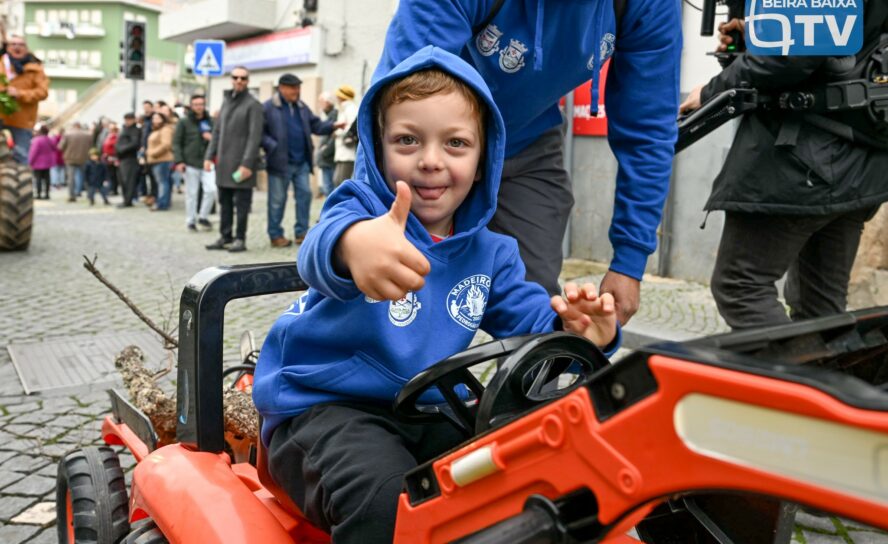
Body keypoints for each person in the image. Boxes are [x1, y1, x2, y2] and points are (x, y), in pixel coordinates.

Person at [253, 47, 620, 544]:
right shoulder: (359, 210)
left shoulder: (493, 253)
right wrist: (355, 245)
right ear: (376, 148)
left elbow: (535, 328)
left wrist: (580, 330)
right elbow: (320, 248)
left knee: (520, 478)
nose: (430, 161)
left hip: (428, 412)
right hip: (324, 411)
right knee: (388, 503)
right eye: (407, 140)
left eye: (455, 143)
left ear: (484, 156)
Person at [343, 0, 682, 325]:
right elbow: (394, 103)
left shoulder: (646, 5)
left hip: (529, 141)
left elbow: (648, 130)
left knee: (536, 300)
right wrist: (362, 227)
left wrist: (628, 264)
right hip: (432, 144)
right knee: (382, 283)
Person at [680, 1, 888, 330]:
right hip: (857, 157)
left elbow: (786, 58)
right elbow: (825, 42)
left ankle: (799, 382)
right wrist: (762, 36)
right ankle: (830, 377)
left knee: (740, 287)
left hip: (801, 159)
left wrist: (710, 91)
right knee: (820, 305)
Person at [261, 73, 338, 248]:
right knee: (277, 200)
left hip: (301, 162)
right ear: (281, 88)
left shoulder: (302, 107)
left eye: (298, 87)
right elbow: (260, 134)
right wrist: (272, 145)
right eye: (293, 88)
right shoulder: (268, 107)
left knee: (304, 196)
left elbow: (316, 125)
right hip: (279, 162)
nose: (297, 91)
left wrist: (332, 126)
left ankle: (301, 233)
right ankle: (276, 234)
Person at [204, 66, 264, 253]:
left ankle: (240, 238)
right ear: (231, 79)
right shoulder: (226, 101)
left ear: (248, 80)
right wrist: (208, 156)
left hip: (242, 164)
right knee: (225, 202)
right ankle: (225, 236)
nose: (239, 80)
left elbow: (255, 137)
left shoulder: (253, 104)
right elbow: (216, 132)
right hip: (223, 163)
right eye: (235, 77)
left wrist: (247, 164)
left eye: (243, 78)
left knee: (242, 204)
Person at [0, 33, 48, 164]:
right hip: (1, 116)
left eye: (21, 45)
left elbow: (43, 92)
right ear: (7, 47)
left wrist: (20, 93)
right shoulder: (1, 64)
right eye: (13, 44)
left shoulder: (36, 69)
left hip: (21, 121)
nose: (17, 47)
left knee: (21, 157)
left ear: (26, 48)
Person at [173, 94, 216, 232]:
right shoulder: (184, 122)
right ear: (191, 106)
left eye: (201, 104)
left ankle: (203, 216)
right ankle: (190, 220)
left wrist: (211, 138)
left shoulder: (211, 121)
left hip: (207, 161)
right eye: (196, 104)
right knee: (192, 193)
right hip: (190, 162)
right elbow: (176, 143)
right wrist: (179, 161)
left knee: (211, 189)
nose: (199, 107)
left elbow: (218, 139)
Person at [146, 112, 174, 211]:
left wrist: (153, 153)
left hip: (162, 160)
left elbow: (166, 144)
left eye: (158, 118)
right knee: (161, 182)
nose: (155, 120)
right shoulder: (156, 130)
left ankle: (162, 204)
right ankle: (162, 202)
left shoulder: (165, 129)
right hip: (156, 160)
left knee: (163, 182)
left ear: (163, 119)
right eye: (154, 118)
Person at [331, 84, 358, 187]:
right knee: (337, 180)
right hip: (342, 152)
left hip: (347, 152)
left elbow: (350, 129)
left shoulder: (350, 109)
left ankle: (342, 203)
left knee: (341, 182)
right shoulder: (345, 109)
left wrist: (337, 132)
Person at [58, 122, 92, 202]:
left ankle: (72, 196)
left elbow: (60, 147)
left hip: (70, 159)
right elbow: (91, 146)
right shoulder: (87, 135)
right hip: (84, 158)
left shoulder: (67, 134)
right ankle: (89, 194)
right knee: (85, 176)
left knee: (71, 179)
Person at [115, 113, 142, 208]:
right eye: (126, 119)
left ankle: (128, 200)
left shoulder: (135, 130)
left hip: (129, 158)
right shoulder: (124, 129)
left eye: (129, 119)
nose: (127, 121)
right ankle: (126, 199)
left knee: (129, 181)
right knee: (123, 181)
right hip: (122, 158)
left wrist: (121, 149)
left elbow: (135, 143)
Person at [315, 91, 337, 198]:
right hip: (327, 158)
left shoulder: (334, 115)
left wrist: (324, 151)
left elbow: (334, 136)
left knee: (329, 187)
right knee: (328, 187)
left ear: (328, 102)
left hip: (329, 158)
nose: (320, 104)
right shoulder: (328, 116)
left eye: (321, 102)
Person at [28, 124, 55, 199]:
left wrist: (30, 162)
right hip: (48, 162)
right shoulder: (49, 139)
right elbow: (54, 148)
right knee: (47, 179)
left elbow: (33, 152)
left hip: (38, 163)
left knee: (38, 179)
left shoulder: (37, 140)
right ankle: (47, 194)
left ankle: (38, 194)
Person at [102, 123, 119, 196]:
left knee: (113, 175)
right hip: (107, 157)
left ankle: (114, 189)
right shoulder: (109, 136)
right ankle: (111, 188)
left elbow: (115, 147)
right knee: (110, 174)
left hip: (112, 157)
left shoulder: (115, 137)